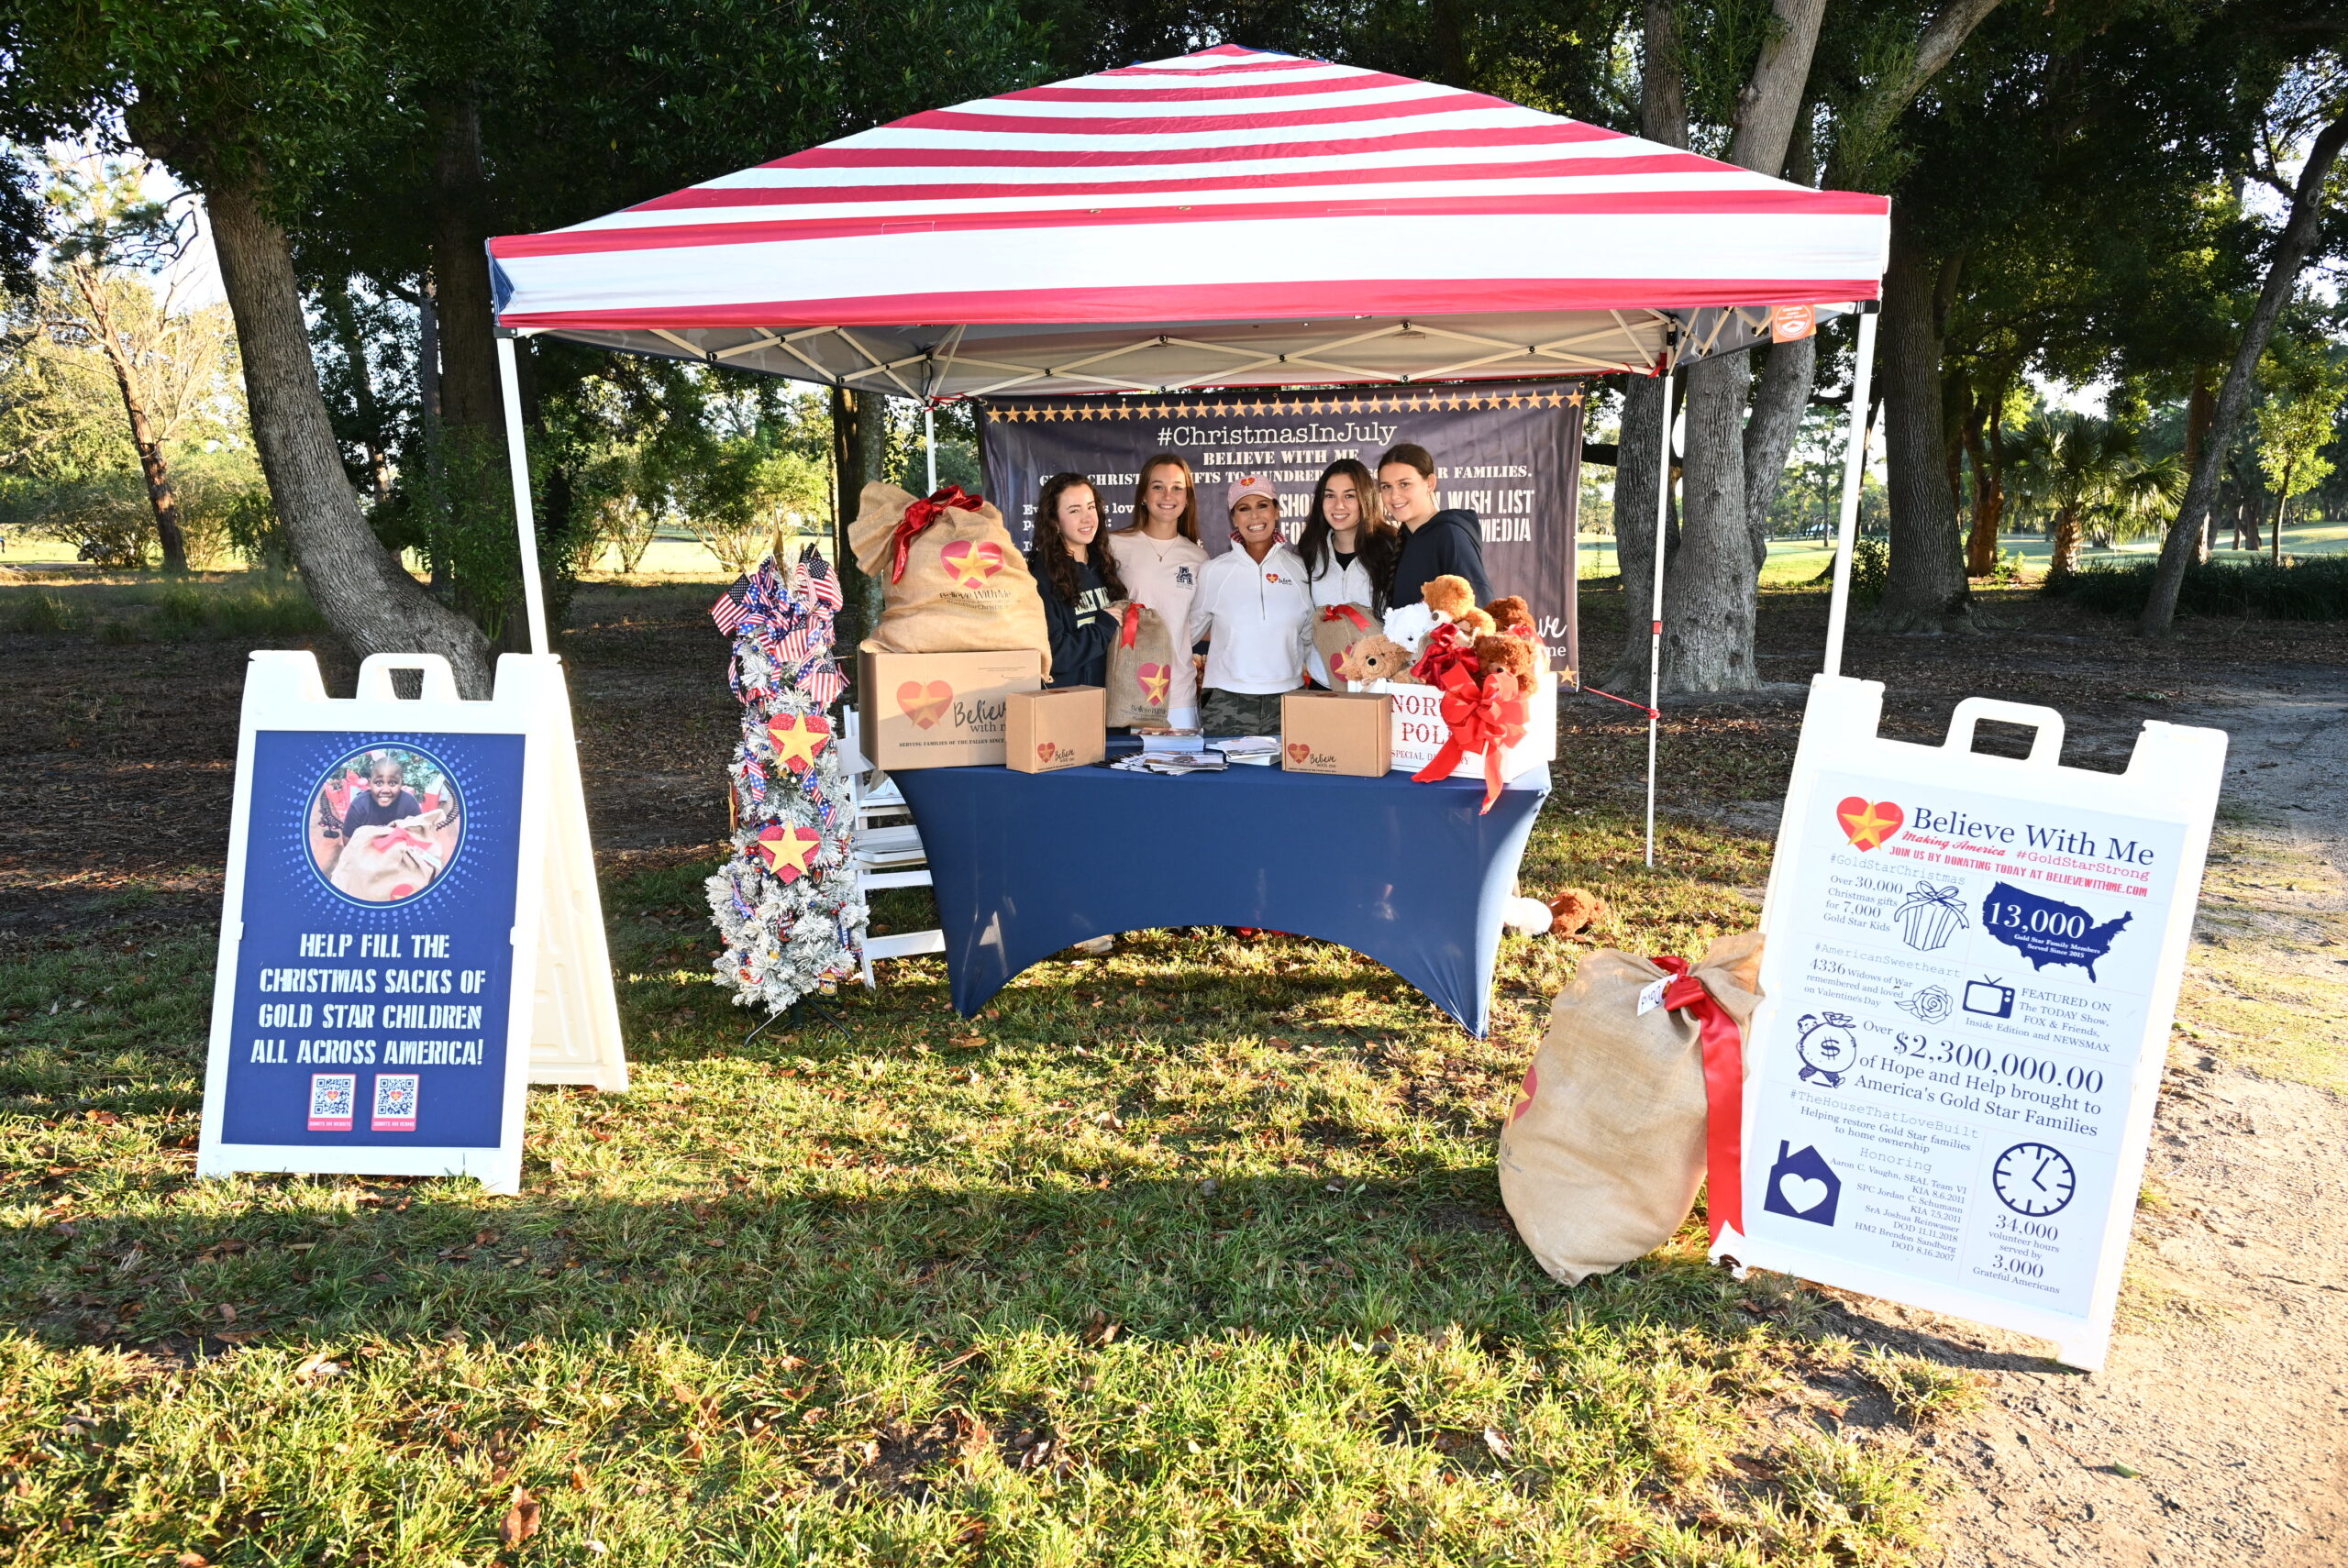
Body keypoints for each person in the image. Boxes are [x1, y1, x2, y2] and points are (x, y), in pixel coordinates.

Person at [1187, 475, 1313, 735]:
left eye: (1262, 505)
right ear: (1234, 519)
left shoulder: (1300, 569)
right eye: (1244, 508)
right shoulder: (1213, 571)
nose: (1254, 516)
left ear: (1276, 511)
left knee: (1288, 764)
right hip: (1226, 699)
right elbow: (1188, 633)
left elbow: (1311, 635)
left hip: (1289, 696)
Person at [1106, 453, 1210, 728]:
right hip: (1126, 692)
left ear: (1187, 499)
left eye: (1177, 487)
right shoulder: (1113, 546)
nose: (1167, 495)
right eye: (1157, 486)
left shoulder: (1198, 558)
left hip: (1179, 695)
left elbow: (1193, 626)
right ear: (1143, 495)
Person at [1294, 457, 1400, 686]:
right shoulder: (1309, 554)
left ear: (1366, 499)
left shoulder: (1392, 549)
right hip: (1324, 685)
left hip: (1381, 685)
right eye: (1330, 495)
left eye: (1349, 496)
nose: (1338, 505)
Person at [1025, 471, 1128, 689]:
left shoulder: (1104, 565)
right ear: (1054, 520)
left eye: (1091, 507)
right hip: (1070, 702)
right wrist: (1102, 628)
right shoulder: (1041, 577)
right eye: (1074, 510)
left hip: (1112, 700)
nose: (1087, 518)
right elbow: (1054, 655)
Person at [1378, 442, 1490, 609]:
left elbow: (1478, 609)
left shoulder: (1450, 533)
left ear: (1430, 483)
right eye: (1386, 486)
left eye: (1404, 484)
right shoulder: (1403, 539)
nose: (1394, 496)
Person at [340, 756, 423, 836]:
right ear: (370, 783)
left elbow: (419, 837)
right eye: (379, 783)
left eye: (392, 783)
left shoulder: (410, 804)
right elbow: (348, 840)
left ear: (401, 784)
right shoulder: (358, 806)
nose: (385, 790)